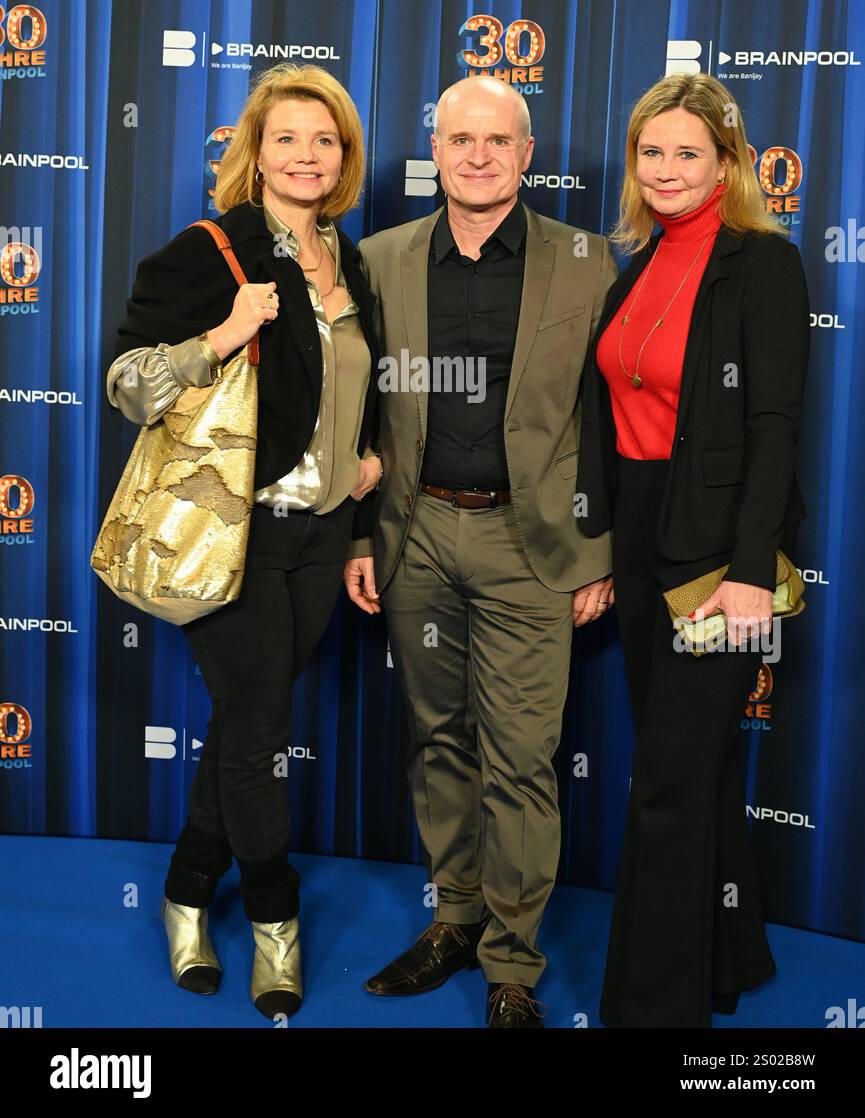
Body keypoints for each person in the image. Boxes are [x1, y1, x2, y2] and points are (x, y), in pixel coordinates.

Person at [105, 64, 382, 1019]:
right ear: (253, 153)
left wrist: (364, 464)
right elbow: (129, 385)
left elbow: (351, 389)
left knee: (242, 725)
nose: (308, 157)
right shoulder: (210, 251)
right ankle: (275, 925)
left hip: (323, 535)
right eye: (287, 139)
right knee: (262, 734)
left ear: (344, 159)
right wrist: (218, 336)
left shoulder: (350, 262)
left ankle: (186, 892)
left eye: (326, 141)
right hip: (234, 535)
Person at [343, 76, 618, 1028]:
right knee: (438, 743)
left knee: (521, 759)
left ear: (526, 153)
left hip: (531, 545)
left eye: (497, 140)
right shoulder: (378, 261)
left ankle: (511, 964)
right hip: (414, 537)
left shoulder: (587, 263)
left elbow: (610, 414)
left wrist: (599, 549)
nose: (477, 156)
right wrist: (358, 536)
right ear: (436, 148)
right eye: (460, 139)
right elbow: (359, 413)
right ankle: (451, 922)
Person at [576, 72, 810, 1028]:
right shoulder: (637, 261)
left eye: (687, 154)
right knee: (698, 770)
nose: (666, 169)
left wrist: (751, 574)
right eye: (650, 152)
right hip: (638, 532)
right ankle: (731, 952)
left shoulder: (762, 263)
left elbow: (772, 425)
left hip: (716, 554)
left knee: (669, 782)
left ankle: (653, 1014)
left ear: (725, 166)